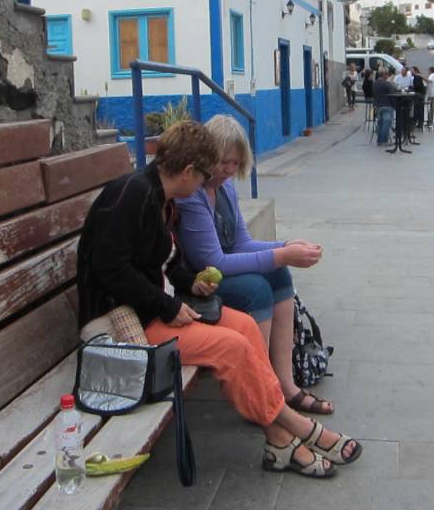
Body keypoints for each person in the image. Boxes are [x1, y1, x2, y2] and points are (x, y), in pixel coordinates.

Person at [76, 121, 362, 478]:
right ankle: (296, 427)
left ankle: (279, 441)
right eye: (203, 176)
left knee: (243, 326)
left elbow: (164, 262)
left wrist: (190, 282)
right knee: (232, 347)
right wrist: (168, 305)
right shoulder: (133, 195)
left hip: (152, 309)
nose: (206, 183)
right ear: (187, 172)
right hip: (124, 325)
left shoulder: (159, 196)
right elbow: (111, 269)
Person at [176, 115, 333, 416]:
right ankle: (261, 393)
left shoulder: (226, 189)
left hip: (221, 272)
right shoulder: (192, 195)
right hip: (196, 282)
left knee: (278, 274)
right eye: (223, 162)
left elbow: (242, 244)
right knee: (256, 289)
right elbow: (213, 261)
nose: (229, 170)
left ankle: (285, 385)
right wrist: (282, 254)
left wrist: (285, 247)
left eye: (235, 163)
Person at [372, 68, 396, 146]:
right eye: (387, 74)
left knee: (380, 123)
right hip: (387, 105)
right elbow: (393, 92)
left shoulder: (375, 83)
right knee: (386, 124)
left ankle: (379, 140)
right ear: (384, 74)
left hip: (378, 105)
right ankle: (383, 141)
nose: (388, 76)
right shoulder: (386, 83)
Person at [410, 67, 427, 131]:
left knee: (417, 109)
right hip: (421, 94)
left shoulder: (416, 77)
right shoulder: (419, 76)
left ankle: (415, 122)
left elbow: (417, 86)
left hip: (419, 94)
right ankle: (420, 123)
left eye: (412, 71)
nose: (411, 72)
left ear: (415, 71)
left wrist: (412, 88)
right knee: (420, 109)